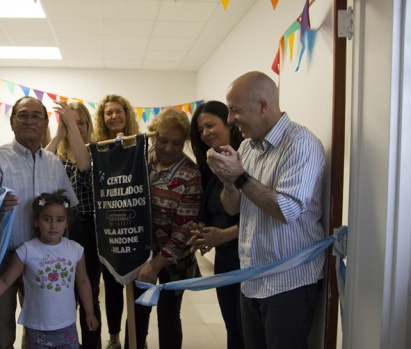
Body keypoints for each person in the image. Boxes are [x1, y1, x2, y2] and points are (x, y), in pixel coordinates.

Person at [208, 71, 325, 349]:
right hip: (251, 281)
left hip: (290, 283)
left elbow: (286, 209)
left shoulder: (301, 143)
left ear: (262, 105)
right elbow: (233, 208)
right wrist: (229, 182)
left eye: (235, 110)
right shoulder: (247, 147)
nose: (229, 120)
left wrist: (241, 178)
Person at [0, 96, 78, 349]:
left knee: (39, 326)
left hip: (42, 258)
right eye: (22, 115)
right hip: (2, 255)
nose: (29, 121)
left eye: (37, 116)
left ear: (45, 124)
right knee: (0, 328)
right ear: (12, 122)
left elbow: (67, 204)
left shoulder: (54, 163)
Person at [0, 190, 99, 349]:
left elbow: (83, 281)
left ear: (66, 222)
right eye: (46, 219)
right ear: (36, 221)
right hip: (37, 329)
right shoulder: (27, 251)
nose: (53, 226)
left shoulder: (76, 250)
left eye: (59, 220)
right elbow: (4, 281)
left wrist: (90, 313)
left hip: (67, 326)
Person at [131, 108, 203, 349]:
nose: (169, 148)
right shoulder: (138, 161)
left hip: (174, 261)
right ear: (153, 136)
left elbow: (183, 231)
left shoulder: (190, 174)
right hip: (139, 253)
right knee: (137, 313)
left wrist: (156, 264)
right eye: (163, 140)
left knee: (169, 316)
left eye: (177, 143)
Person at [187, 100, 245, 348]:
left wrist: (223, 235)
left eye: (210, 125)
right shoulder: (211, 165)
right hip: (225, 260)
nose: (205, 133)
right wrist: (202, 230)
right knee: (232, 325)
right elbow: (210, 209)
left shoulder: (247, 160)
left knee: (247, 329)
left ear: (229, 123)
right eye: (201, 130)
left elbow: (260, 220)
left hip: (250, 261)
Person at [46, 100, 102, 349]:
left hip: (88, 230)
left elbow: (84, 165)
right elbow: (41, 164)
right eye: (70, 121)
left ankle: (91, 344)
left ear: (88, 125)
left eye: (80, 122)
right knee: (62, 294)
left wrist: (71, 126)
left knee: (88, 292)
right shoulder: (56, 155)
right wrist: (58, 135)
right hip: (60, 231)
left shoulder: (96, 150)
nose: (75, 127)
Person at [93, 94, 141, 349]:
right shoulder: (98, 149)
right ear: (102, 119)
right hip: (110, 230)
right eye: (108, 113)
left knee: (138, 289)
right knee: (112, 288)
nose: (113, 116)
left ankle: (137, 338)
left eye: (118, 111)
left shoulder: (141, 145)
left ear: (126, 114)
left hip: (136, 228)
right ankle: (114, 338)